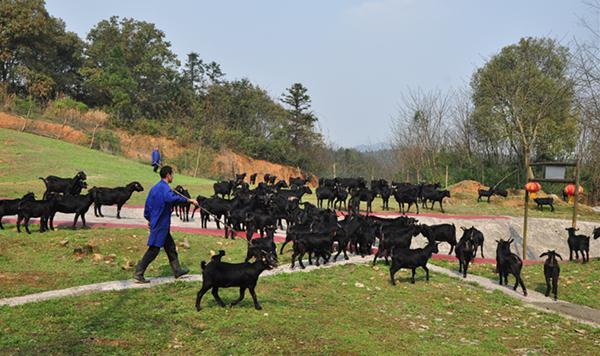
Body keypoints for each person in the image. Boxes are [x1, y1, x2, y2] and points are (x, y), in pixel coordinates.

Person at [133, 166, 198, 283]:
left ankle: (177, 270)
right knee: (154, 249)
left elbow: (147, 205)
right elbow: (170, 198)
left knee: (170, 247)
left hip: (158, 222)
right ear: (168, 175)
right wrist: (188, 200)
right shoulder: (164, 188)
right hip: (161, 223)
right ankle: (139, 272)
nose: (172, 177)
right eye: (172, 174)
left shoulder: (154, 188)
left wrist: (149, 218)